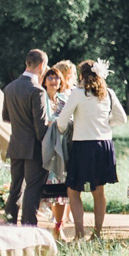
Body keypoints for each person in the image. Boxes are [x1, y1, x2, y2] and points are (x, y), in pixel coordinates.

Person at [57, 60, 127, 240]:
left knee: (73, 190)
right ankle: (97, 233)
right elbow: (122, 118)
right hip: (104, 145)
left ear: (81, 76)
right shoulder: (108, 93)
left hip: (83, 144)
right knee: (99, 191)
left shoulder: (78, 94)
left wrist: (62, 131)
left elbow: (62, 120)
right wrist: (105, 124)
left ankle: (79, 234)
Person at [3, 49, 51, 226]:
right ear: (41, 65)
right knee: (32, 188)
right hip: (33, 147)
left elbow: (5, 116)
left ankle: (9, 225)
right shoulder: (37, 91)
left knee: (15, 188)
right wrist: (49, 139)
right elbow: (40, 127)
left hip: (15, 144)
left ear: (26, 64)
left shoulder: (9, 88)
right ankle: (29, 228)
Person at [40, 68, 70, 238]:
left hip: (60, 150)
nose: (53, 81)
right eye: (50, 78)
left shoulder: (64, 100)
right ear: (44, 81)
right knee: (40, 188)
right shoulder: (40, 98)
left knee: (60, 189)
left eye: (57, 78)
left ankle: (59, 227)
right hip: (43, 148)